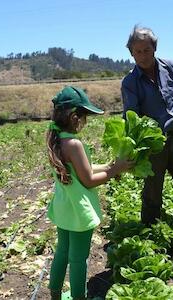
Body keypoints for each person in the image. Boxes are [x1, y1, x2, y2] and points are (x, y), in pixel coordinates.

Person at [46, 86, 133, 300]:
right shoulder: (74, 144)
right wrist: (115, 170)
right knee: (78, 259)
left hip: (64, 208)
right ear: (75, 117)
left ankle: (55, 295)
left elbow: (80, 171)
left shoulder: (56, 139)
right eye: (85, 117)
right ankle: (78, 297)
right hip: (79, 211)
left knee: (62, 252)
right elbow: (88, 180)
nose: (85, 122)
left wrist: (109, 166)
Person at [121, 25, 173, 225]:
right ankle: (150, 231)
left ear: (154, 48)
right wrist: (132, 152)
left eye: (146, 50)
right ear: (131, 53)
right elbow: (132, 117)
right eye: (137, 52)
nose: (142, 56)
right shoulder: (130, 83)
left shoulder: (171, 68)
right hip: (153, 146)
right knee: (152, 193)